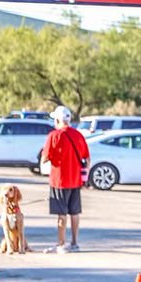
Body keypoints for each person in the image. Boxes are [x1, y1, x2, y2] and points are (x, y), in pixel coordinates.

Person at [41, 105, 89, 253]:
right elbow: (86, 158)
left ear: (57, 119)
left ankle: (61, 243)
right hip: (75, 181)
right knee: (74, 212)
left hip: (59, 180)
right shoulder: (78, 135)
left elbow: (44, 158)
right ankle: (74, 242)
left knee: (61, 214)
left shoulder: (54, 136)